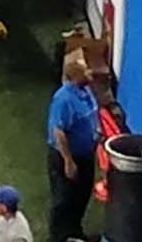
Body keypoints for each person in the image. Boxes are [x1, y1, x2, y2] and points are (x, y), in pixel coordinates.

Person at [45, 54, 99, 242]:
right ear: (75, 75)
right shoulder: (63, 99)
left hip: (85, 155)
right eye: (85, 70)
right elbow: (58, 132)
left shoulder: (85, 91)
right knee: (64, 200)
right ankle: (59, 238)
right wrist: (68, 161)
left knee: (81, 196)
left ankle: (75, 234)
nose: (90, 72)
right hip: (67, 157)